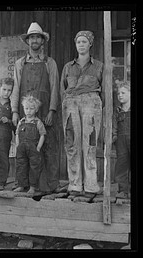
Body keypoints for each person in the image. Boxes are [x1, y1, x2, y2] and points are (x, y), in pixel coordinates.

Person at [11, 22, 61, 193]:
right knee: (24, 148)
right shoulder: (20, 63)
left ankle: (49, 185)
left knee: (47, 147)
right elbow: (16, 87)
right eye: (31, 37)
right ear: (28, 41)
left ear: (42, 41)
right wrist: (15, 111)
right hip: (26, 112)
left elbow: (55, 87)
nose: (34, 40)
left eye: (37, 37)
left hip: (45, 110)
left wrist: (52, 110)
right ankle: (23, 184)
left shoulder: (50, 63)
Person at [60, 31, 105, 197]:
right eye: (78, 41)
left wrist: (100, 110)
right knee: (72, 144)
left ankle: (91, 185)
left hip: (91, 103)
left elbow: (105, 93)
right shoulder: (67, 67)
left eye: (84, 41)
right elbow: (62, 90)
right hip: (71, 103)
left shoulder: (99, 66)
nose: (81, 44)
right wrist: (67, 104)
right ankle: (75, 184)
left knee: (90, 144)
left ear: (90, 44)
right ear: (75, 44)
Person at [13, 95, 46, 194]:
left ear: (36, 110)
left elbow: (43, 135)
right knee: (21, 166)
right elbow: (17, 134)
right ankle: (21, 185)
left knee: (34, 167)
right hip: (21, 148)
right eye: (26, 108)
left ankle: (32, 186)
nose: (28, 111)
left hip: (33, 148)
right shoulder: (21, 122)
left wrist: (38, 147)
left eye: (31, 109)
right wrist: (17, 145)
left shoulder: (38, 122)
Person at [112, 81, 130, 199]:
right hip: (121, 142)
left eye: (123, 92)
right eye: (118, 93)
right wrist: (112, 137)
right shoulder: (117, 111)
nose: (120, 95)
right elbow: (114, 128)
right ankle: (123, 191)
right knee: (122, 165)